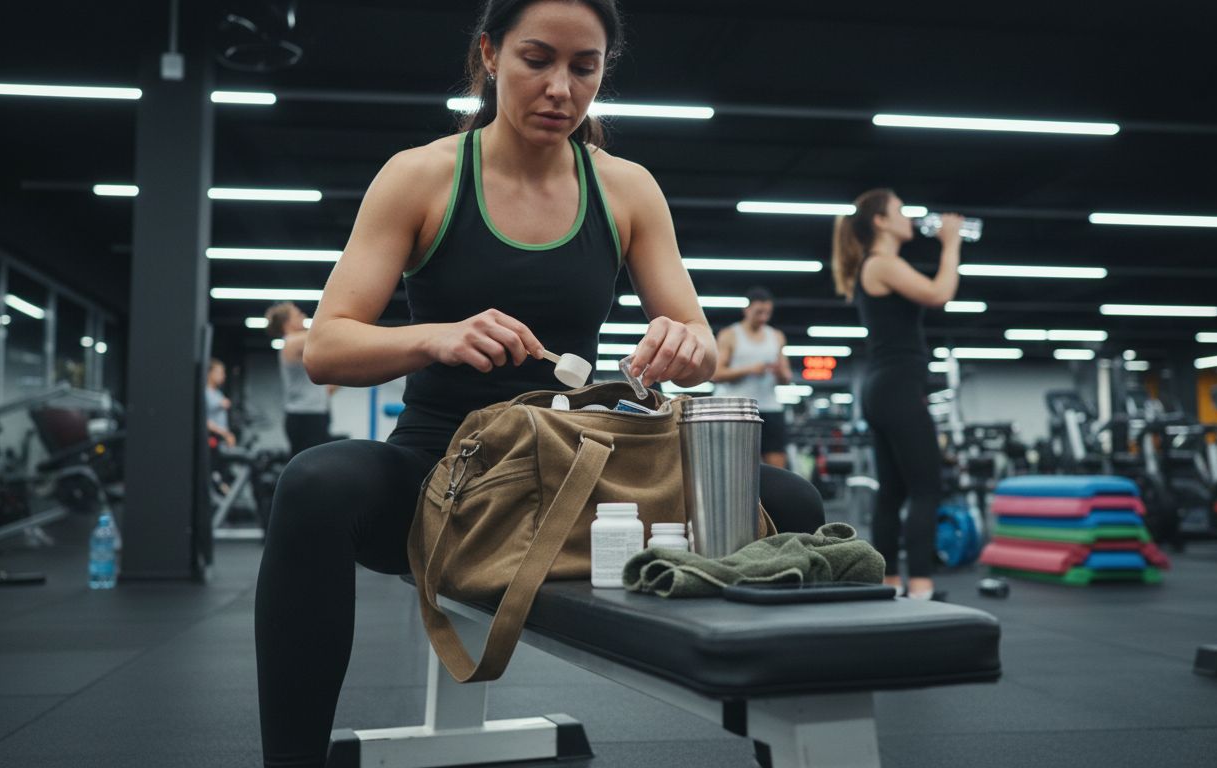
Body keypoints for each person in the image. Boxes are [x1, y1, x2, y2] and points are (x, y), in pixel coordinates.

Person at [254, 2, 826, 765]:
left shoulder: (626, 189)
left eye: (583, 68)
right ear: (490, 55)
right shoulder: (420, 175)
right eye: (537, 60)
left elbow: (701, 344)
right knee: (315, 484)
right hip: (440, 479)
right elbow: (324, 348)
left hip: (580, 471)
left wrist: (683, 344)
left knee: (789, 502)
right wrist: (436, 336)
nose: (561, 86)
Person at [832, 189, 963, 601]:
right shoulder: (883, 263)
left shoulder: (876, 265)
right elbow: (940, 293)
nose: (909, 218)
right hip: (897, 387)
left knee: (894, 491)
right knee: (926, 487)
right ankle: (921, 586)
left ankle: (889, 585)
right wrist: (952, 242)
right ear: (881, 222)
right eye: (901, 211)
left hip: (885, 387)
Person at [711, 286, 793, 467]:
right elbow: (715, 373)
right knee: (735, 465)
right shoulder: (730, 335)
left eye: (767, 313)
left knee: (777, 465)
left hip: (769, 407)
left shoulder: (776, 336)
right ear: (746, 310)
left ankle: (772, 497)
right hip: (735, 409)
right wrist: (749, 369)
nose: (763, 317)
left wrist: (780, 372)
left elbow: (786, 378)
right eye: (758, 312)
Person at [264, 302, 336, 457]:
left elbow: (328, 388)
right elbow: (324, 334)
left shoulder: (304, 345)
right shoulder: (291, 342)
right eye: (298, 314)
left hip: (318, 414)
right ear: (286, 323)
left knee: (321, 465)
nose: (303, 316)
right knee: (309, 467)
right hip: (304, 417)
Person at [205, 358, 236, 447]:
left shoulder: (218, 393)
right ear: (209, 373)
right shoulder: (204, 393)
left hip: (221, 439)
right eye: (220, 373)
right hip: (211, 438)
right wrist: (225, 434)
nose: (224, 376)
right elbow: (204, 420)